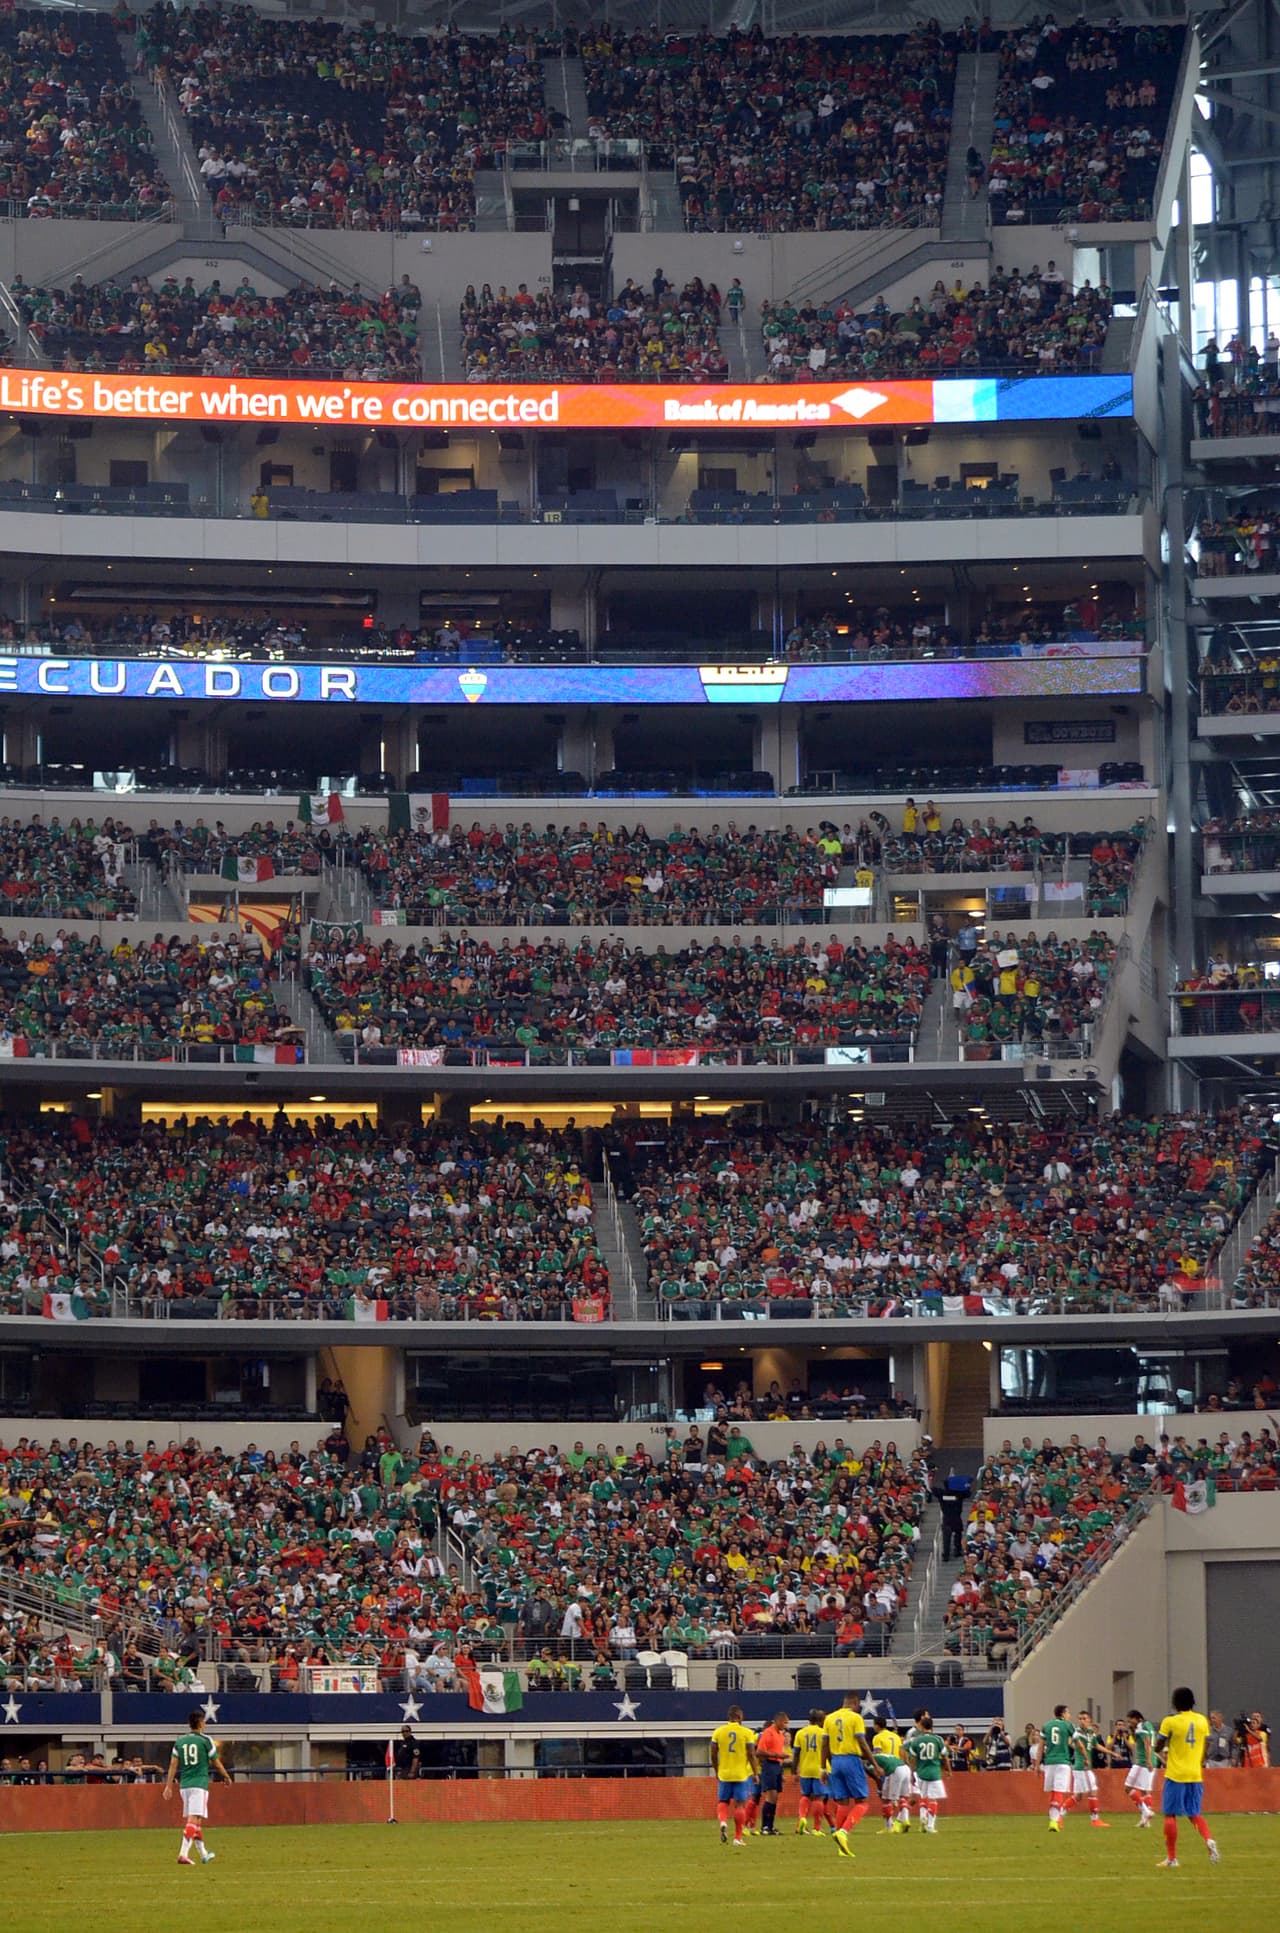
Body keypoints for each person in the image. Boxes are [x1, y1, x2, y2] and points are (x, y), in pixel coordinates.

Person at [1157, 1686, 1220, 1868]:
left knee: (1170, 1815)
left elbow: (1158, 1746)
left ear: (1175, 1702)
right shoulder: (1202, 1720)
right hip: (1195, 1774)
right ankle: (1208, 1839)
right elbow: (1206, 1746)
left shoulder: (1170, 1721)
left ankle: (1171, 1858)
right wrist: (1199, 1760)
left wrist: (1164, 1745)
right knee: (1194, 1813)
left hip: (1176, 1774)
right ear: (1193, 1702)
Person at [163, 1708, 232, 1866]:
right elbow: (216, 1761)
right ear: (201, 1723)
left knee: (197, 1821)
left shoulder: (180, 1741)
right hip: (199, 1784)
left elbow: (173, 1764)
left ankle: (203, 1854)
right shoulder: (205, 1740)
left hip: (184, 1785)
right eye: (204, 1722)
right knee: (193, 1819)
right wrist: (226, 1776)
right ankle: (183, 1854)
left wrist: (168, 1786)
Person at [821, 1692, 881, 1859]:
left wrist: (822, 1768)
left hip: (835, 1762)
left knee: (842, 1802)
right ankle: (844, 1832)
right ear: (855, 1703)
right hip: (851, 1760)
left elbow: (824, 1744)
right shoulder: (856, 1718)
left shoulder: (829, 1718)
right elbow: (861, 1741)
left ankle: (842, 1847)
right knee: (862, 1802)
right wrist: (874, 1764)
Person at [710, 1705, 758, 1848]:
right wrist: (755, 1773)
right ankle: (737, 1838)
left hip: (724, 1773)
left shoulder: (718, 1732)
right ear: (739, 1716)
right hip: (740, 1774)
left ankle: (723, 1821)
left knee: (723, 1801)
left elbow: (713, 1753)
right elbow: (751, 1754)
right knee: (740, 1805)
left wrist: (716, 1769)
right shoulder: (747, 1732)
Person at [747, 1711, 789, 1836]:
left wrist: (780, 1768)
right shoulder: (768, 1733)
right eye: (785, 1722)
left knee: (775, 1797)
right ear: (778, 1721)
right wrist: (777, 1755)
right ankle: (765, 1826)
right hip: (769, 1765)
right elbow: (759, 1752)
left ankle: (770, 1826)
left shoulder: (780, 1735)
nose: (786, 1725)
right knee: (770, 1796)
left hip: (777, 1766)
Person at [906, 1709, 948, 1832]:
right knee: (928, 1797)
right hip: (928, 1771)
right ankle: (927, 1824)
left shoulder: (919, 1736)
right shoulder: (914, 1733)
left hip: (919, 1770)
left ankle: (922, 1820)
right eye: (926, 1715)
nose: (928, 1716)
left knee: (922, 1796)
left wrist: (912, 1770)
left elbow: (911, 1754)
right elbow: (905, 1749)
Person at [791, 1708, 831, 1836]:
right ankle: (817, 1828)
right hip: (820, 1769)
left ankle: (802, 1819)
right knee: (819, 1798)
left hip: (805, 1769)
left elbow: (796, 1753)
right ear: (820, 1720)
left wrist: (794, 1771)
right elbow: (828, 1750)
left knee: (805, 1796)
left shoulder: (800, 1733)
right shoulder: (824, 1733)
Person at [872, 1720, 912, 1833]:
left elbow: (876, 1754)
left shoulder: (877, 1737)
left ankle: (889, 1826)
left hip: (888, 1769)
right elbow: (902, 1752)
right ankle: (905, 1819)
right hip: (901, 1765)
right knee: (902, 1796)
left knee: (886, 1798)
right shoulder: (895, 1736)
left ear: (877, 1725)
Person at [1070, 1712, 1109, 1827]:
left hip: (1081, 1768)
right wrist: (1085, 1758)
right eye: (1080, 1718)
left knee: (1078, 1796)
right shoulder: (1076, 1732)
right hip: (1083, 1766)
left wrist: (1111, 1753)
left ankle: (1059, 1814)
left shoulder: (1091, 1732)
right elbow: (1077, 1745)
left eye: (1084, 1718)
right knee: (1093, 1790)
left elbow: (1096, 1745)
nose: (1082, 1720)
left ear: (1089, 1720)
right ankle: (1095, 1819)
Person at [1041, 1703, 1074, 1831]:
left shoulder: (1046, 1726)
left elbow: (1041, 1746)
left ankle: (1056, 1818)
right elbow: (1076, 1742)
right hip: (1062, 1762)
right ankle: (1055, 1820)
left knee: (1053, 1791)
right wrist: (1085, 1756)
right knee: (1059, 1790)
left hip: (1049, 1762)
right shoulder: (1068, 1725)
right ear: (1063, 1714)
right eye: (1068, 1713)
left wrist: (1037, 1764)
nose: (1069, 1715)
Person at [1123, 1710, 1158, 1827]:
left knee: (1127, 1788)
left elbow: (1147, 1742)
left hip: (1143, 1762)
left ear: (1137, 1718)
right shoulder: (1148, 1725)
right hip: (1152, 1761)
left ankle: (1146, 1811)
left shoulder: (1140, 1727)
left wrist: (1147, 1760)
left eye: (1130, 1720)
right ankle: (1146, 1820)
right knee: (1145, 1791)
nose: (1129, 1723)